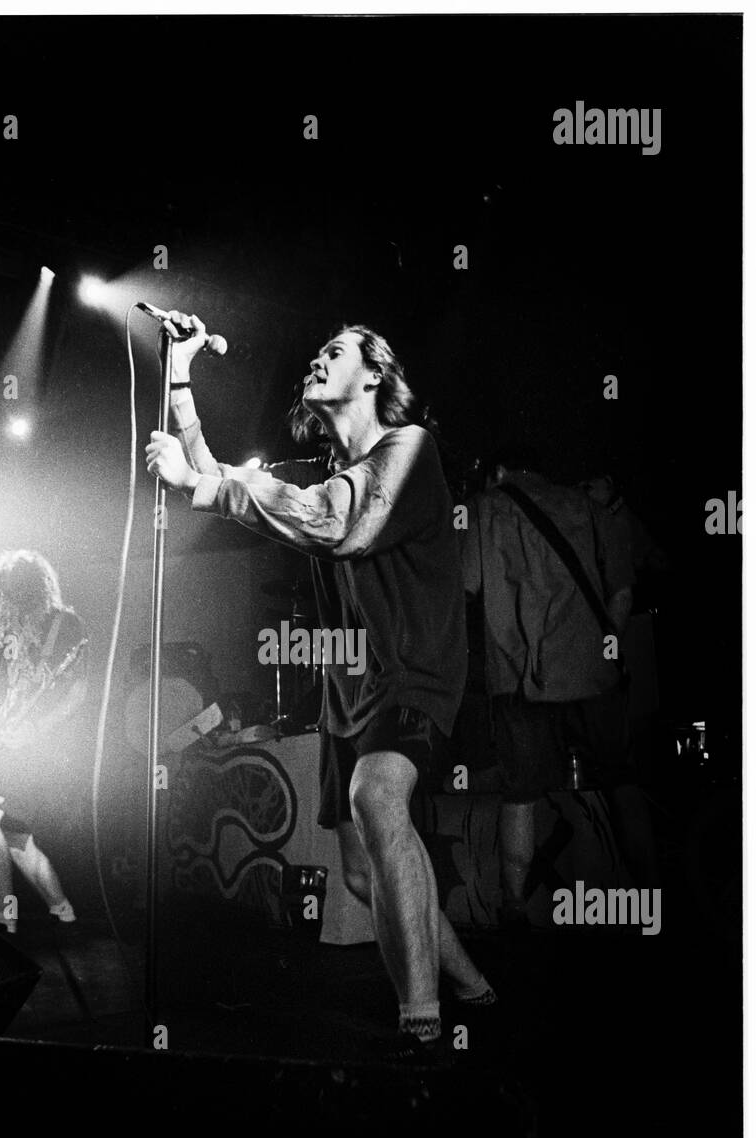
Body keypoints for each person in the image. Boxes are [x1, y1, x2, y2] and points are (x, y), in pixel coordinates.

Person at [146, 314, 495, 1060]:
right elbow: (221, 476)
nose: (315, 359)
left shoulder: (409, 449)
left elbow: (343, 527)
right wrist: (180, 375)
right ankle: (471, 985)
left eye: (333, 352)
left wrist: (210, 488)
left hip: (415, 673)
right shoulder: (319, 479)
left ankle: (422, 1022)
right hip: (349, 691)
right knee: (364, 871)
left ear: (373, 374)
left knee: (378, 798)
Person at [462, 448, 659, 926]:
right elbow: (623, 590)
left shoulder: (485, 508)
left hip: (520, 679)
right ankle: (655, 897)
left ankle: (514, 911)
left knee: (521, 796)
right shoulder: (585, 504)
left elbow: (467, 583)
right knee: (622, 783)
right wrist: (604, 649)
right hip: (594, 675)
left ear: (498, 471)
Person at [0, 550, 88, 928]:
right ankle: (64, 911)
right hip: (11, 749)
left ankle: (4, 916)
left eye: (7, 592)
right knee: (18, 844)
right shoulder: (12, 636)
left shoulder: (65, 624)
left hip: (46, 751)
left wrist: (37, 729)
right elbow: (12, 698)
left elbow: (79, 694)